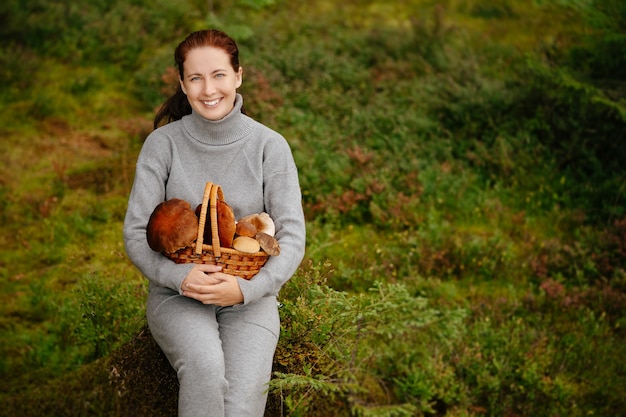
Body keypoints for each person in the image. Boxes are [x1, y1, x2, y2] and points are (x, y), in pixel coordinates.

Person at [123, 29, 306, 417]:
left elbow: (292, 236)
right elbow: (136, 234)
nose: (209, 89)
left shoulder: (269, 145)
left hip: (250, 301)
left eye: (219, 74)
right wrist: (179, 278)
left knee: (241, 405)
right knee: (204, 368)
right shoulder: (163, 144)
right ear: (182, 83)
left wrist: (245, 289)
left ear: (238, 76)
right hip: (177, 297)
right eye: (196, 77)